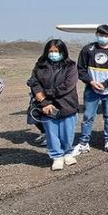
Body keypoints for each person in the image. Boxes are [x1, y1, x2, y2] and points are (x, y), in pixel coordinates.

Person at [27, 40, 79, 171]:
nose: (53, 54)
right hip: (46, 105)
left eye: (56, 51)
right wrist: (44, 102)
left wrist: (45, 94)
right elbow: (34, 82)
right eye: (51, 51)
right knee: (51, 133)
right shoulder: (40, 66)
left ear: (63, 51)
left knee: (67, 133)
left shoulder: (71, 66)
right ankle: (56, 156)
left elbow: (68, 85)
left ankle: (67, 152)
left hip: (67, 103)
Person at [73, 24, 108, 156]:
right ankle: (83, 142)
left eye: (106, 35)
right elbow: (81, 69)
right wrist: (91, 82)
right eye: (101, 35)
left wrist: (106, 84)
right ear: (96, 34)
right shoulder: (87, 49)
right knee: (88, 116)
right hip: (91, 89)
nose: (103, 38)